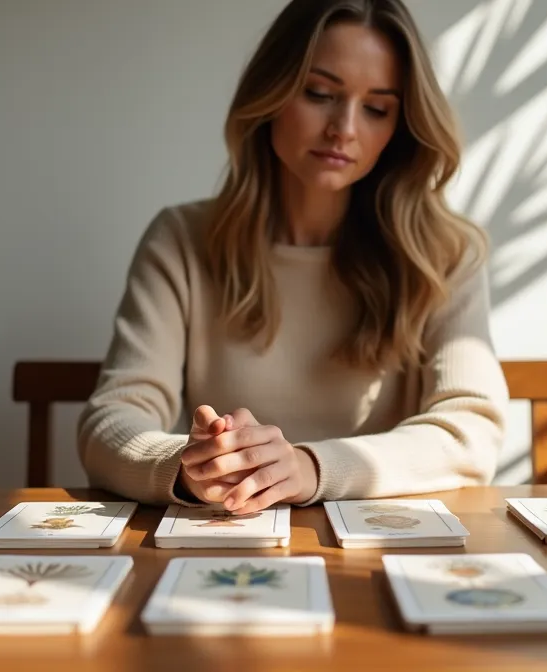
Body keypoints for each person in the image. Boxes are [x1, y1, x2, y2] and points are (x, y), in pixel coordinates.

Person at [77, 0, 509, 515]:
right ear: (272, 93)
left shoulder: (443, 253)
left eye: (376, 108)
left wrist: (309, 467)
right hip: (232, 548)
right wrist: (193, 465)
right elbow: (111, 421)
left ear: (400, 125)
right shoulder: (181, 240)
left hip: (383, 552)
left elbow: (472, 430)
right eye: (319, 93)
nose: (344, 128)